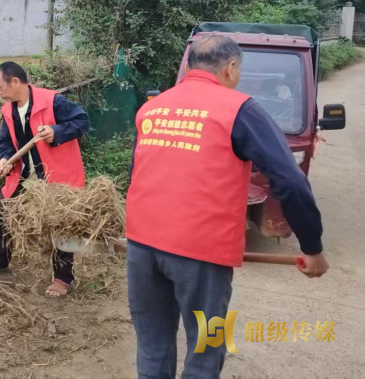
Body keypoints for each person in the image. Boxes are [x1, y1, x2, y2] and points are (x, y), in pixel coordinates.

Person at [126, 35, 328, 379]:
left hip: (141, 247)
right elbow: (290, 181)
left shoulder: (153, 107)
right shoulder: (239, 109)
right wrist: (313, 247)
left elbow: (138, 172)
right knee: (206, 348)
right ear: (231, 67)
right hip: (201, 253)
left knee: (152, 345)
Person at [0, 61, 90, 297]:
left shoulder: (53, 101)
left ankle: (63, 278)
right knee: (3, 211)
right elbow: (6, 142)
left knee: (60, 223)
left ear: (15, 82)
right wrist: (4, 158)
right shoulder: (8, 111)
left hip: (56, 176)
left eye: (0, 87)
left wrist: (56, 131)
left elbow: (82, 122)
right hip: (23, 175)